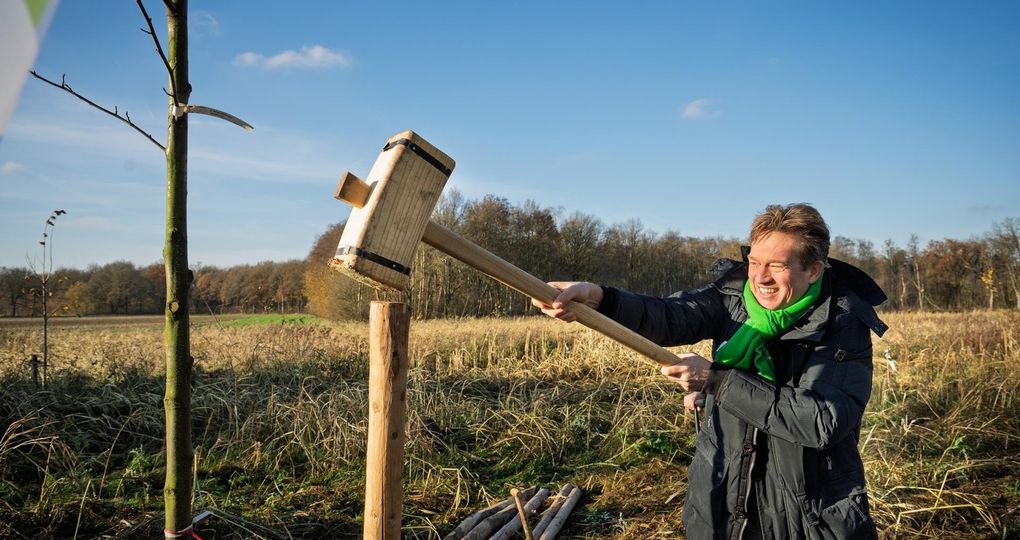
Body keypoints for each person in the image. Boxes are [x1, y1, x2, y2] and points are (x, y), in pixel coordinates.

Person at [535, 203, 888, 539]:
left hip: (805, 517)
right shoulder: (733, 298)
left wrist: (717, 380)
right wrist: (598, 298)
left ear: (813, 269)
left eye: (777, 266)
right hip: (721, 502)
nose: (760, 277)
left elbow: (819, 421)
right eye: (754, 262)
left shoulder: (842, 325)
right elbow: (669, 315)